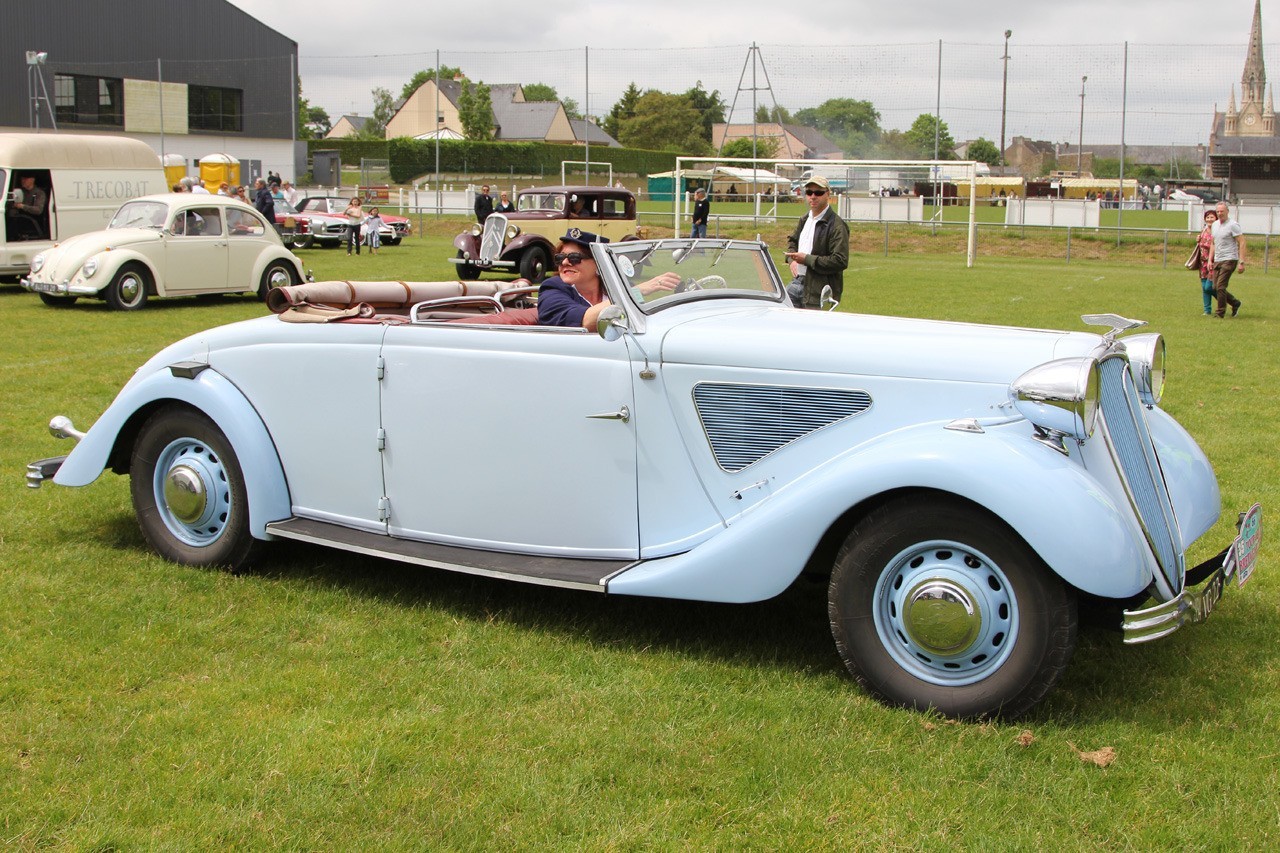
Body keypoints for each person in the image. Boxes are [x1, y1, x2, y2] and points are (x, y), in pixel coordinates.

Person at [537, 229, 680, 329]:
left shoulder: (617, 286)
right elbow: (585, 321)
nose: (564, 263)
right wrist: (636, 292)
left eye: (575, 258)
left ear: (599, 263)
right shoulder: (552, 288)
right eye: (560, 257)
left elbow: (643, 321)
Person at [784, 175, 850, 309]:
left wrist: (807, 259)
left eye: (818, 192)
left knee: (813, 329)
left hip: (819, 290)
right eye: (809, 192)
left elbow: (840, 260)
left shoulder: (837, 225)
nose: (813, 196)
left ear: (828, 194)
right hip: (796, 283)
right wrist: (792, 260)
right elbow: (792, 241)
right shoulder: (804, 219)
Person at [1210, 202, 1245, 318]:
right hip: (1217, 259)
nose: (1220, 213)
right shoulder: (1214, 225)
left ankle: (1220, 313)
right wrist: (1210, 259)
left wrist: (1241, 261)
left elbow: (1242, 242)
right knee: (1214, 288)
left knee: (1220, 286)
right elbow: (1213, 243)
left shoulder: (1233, 225)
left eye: (1222, 211)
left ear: (1227, 212)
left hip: (1230, 258)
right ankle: (1235, 303)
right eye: (1218, 211)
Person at [1194, 208, 1218, 316]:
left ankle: (1227, 299)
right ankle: (1207, 310)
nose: (1209, 219)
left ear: (1216, 218)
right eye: (1207, 217)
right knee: (1204, 288)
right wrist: (1198, 240)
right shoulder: (1203, 230)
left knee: (1209, 287)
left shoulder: (1218, 231)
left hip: (1213, 262)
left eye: (1212, 217)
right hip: (1202, 263)